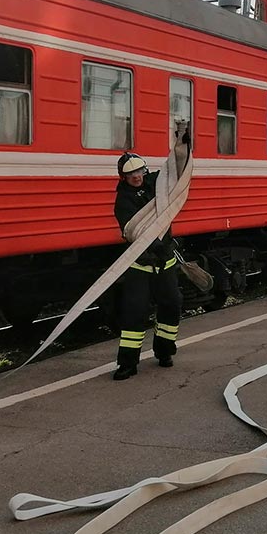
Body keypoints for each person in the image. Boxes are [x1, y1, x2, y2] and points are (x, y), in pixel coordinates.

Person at [112, 152, 181, 381]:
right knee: (134, 313)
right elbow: (134, 231)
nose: (136, 177)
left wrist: (183, 143)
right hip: (141, 264)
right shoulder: (123, 202)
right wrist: (156, 246)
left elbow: (175, 171)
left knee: (171, 305)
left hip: (165, 262)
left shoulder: (154, 183)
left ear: (145, 171)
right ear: (124, 177)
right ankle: (127, 364)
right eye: (131, 173)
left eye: (139, 171)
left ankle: (164, 352)